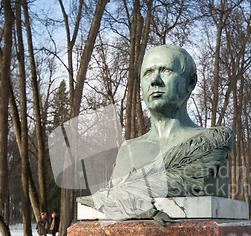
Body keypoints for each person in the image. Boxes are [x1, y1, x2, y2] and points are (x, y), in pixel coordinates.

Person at [78, 45, 234, 222]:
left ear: (190, 82)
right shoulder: (128, 150)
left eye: (166, 70)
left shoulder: (211, 143)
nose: (155, 81)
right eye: (148, 73)